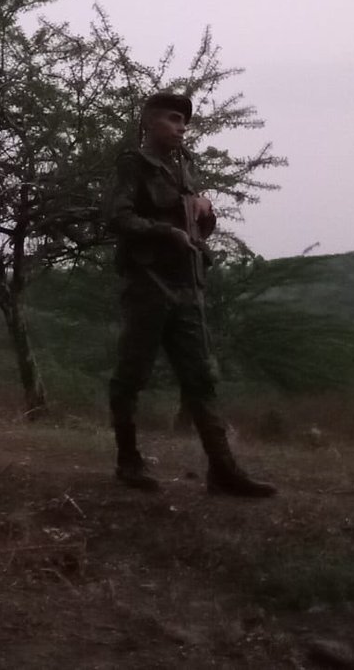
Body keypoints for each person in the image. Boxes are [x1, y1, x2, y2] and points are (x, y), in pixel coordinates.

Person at [104, 92, 276, 497]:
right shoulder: (133, 164)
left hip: (187, 285)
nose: (181, 127)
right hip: (147, 284)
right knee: (132, 374)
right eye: (172, 118)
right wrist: (165, 231)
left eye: (184, 121)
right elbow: (116, 215)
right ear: (149, 121)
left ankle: (224, 470)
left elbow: (197, 231)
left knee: (202, 379)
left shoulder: (185, 168)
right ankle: (128, 461)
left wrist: (204, 212)